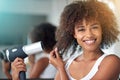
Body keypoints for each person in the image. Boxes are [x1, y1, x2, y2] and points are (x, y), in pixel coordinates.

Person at [49, 0, 120, 80]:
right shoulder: (66, 64)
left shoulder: (112, 62)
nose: (89, 35)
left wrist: (61, 69)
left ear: (102, 30)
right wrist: (61, 67)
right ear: (74, 34)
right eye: (81, 29)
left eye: (94, 27)